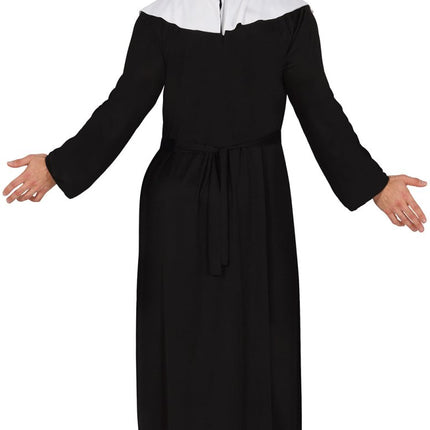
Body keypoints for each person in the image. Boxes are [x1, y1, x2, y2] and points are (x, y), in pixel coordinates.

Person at [3, 1, 427, 429]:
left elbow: (319, 109)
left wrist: (375, 185)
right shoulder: (162, 18)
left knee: (262, 340)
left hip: (258, 204)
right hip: (178, 208)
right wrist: (58, 167)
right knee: (179, 340)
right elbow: (125, 105)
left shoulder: (289, 16)